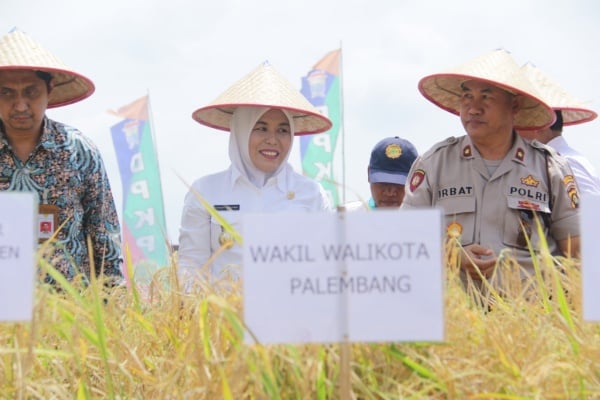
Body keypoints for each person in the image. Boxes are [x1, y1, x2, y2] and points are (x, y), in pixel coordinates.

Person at [401, 49, 580, 292]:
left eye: (486, 97)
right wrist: (453, 255)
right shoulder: (434, 163)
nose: (473, 108)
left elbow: (577, 252)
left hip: (530, 321)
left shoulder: (549, 168)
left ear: (514, 105)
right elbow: (404, 239)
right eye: (467, 96)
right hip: (456, 319)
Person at [178, 62, 333, 284]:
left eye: (282, 130)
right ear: (241, 131)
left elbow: (324, 266)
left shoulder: (311, 193)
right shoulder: (205, 191)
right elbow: (191, 266)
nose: (272, 139)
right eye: (260, 128)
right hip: (221, 317)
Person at [0, 29, 123, 284]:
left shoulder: (78, 150)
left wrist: (112, 307)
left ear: (50, 89)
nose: (20, 105)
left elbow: (104, 236)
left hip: (68, 312)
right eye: (7, 93)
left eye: (31, 92)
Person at [518, 62, 600, 195]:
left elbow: (590, 212)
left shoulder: (566, 163)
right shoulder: (551, 162)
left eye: (520, 122)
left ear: (540, 124)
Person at [339, 136, 418, 211]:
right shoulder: (346, 217)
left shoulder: (426, 221)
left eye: (398, 183)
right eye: (383, 182)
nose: (389, 192)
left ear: (416, 181)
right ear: (369, 174)